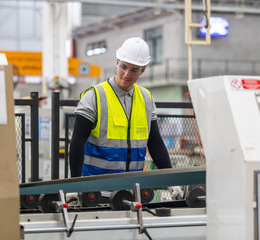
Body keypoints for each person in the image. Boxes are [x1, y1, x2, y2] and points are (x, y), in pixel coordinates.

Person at [69, 37, 182, 200]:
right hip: (95, 192)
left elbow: (155, 143)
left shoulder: (146, 98)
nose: (127, 74)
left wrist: (172, 181)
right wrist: (75, 185)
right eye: (124, 67)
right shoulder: (94, 96)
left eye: (134, 70)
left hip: (131, 192)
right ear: (117, 62)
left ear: (143, 70)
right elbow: (77, 142)